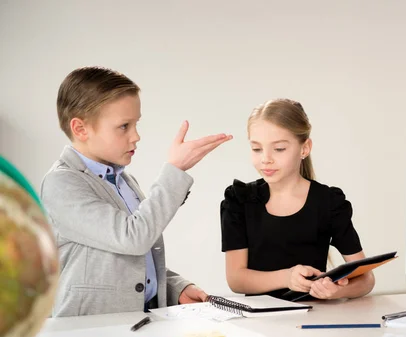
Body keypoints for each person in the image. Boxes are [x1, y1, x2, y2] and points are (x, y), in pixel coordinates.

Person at [41, 66, 232, 316]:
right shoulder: (62, 184)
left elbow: (130, 260)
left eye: (136, 124)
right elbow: (133, 238)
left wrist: (176, 288)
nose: (136, 136)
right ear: (80, 129)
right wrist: (175, 169)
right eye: (124, 126)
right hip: (88, 332)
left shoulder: (122, 180)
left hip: (135, 324)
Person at [220, 98, 374, 300]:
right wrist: (287, 278)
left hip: (315, 319)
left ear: (305, 148)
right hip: (258, 322)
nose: (266, 158)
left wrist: (337, 291)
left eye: (279, 149)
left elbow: (366, 279)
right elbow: (236, 279)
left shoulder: (329, 203)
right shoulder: (239, 200)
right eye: (257, 149)